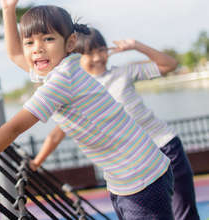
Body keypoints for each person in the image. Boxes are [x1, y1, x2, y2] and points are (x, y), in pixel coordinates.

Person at [0, 0, 174, 219]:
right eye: (29, 42)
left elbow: (14, 128)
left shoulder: (62, 81)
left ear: (70, 43)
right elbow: (14, 54)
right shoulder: (57, 71)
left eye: (48, 39)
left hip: (140, 176)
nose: (37, 49)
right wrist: (8, 10)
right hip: (128, 177)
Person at [70, 27, 199, 220]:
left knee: (185, 214)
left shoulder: (123, 72)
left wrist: (136, 46)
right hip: (132, 166)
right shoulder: (80, 92)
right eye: (89, 53)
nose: (97, 57)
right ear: (75, 56)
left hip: (165, 148)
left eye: (101, 50)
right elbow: (59, 130)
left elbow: (170, 65)